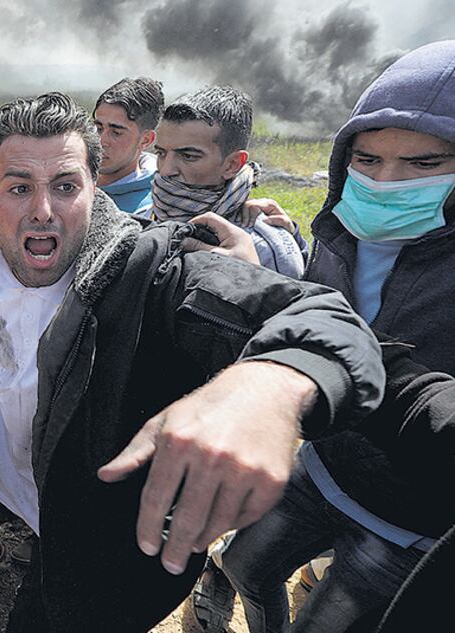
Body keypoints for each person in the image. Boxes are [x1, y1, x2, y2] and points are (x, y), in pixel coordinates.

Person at [0, 91, 385, 632]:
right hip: (5, 490)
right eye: (19, 188)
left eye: (65, 186)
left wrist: (268, 386)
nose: (42, 210)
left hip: (94, 551)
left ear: (92, 188)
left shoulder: (148, 272)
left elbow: (325, 319)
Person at [190, 39, 455, 633]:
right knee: (245, 568)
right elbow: (316, 310)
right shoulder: (340, 233)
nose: (387, 181)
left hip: (409, 519)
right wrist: (263, 274)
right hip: (323, 465)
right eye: (367, 159)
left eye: (424, 164)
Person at [151, 86, 305, 278]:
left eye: (188, 156)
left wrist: (246, 277)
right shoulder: (146, 215)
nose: (166, 170)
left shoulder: (263, 248)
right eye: (161, 153)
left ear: (232, 164)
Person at [93, 77, 163, 214]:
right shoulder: (66, 179)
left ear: (146, 140)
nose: (101, 141)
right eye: (98, 128)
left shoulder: (148, 211)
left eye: (116, 133)